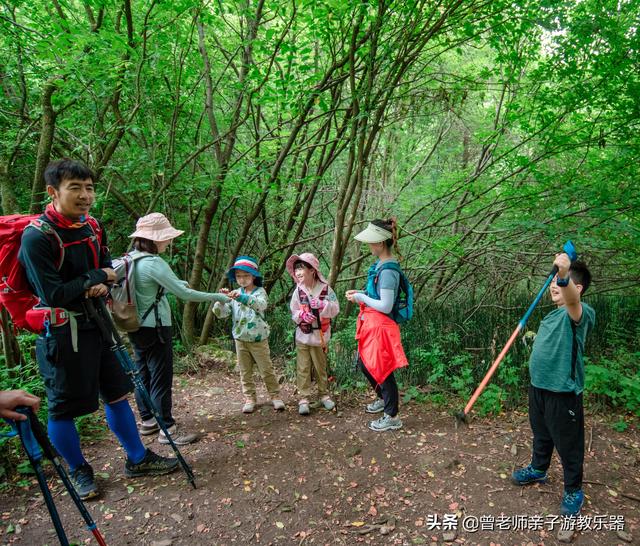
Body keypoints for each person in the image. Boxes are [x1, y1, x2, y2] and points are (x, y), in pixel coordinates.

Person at [18, 159, 178, 501]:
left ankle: (137, 458)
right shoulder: (37, 237)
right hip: (62, 331)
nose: (85, 195)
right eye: (75, 188)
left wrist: (102, 281)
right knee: (62, 406)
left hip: (97, 322)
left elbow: (109, 268)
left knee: (117, 391)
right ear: (53, 191)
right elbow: (53, 294)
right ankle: (78, 469)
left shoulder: (92, 226)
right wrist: (95, 279)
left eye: (89, 187)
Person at [127, 213, 230, 443]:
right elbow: (185, 294)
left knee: (142, 372)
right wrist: (218, 297)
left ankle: (148, 421)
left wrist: (178, 284)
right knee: (160, 376)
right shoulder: (154, 262)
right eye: (166, 237)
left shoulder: (131, 259)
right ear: (154, 239)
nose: (169, 241)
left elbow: (154, 288)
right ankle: (168, 428)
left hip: (134, 325)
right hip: (155, 327)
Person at [511, 254, 595, 516]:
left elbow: (572, 301)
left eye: (558, 284)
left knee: (568, 443)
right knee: (541, 432)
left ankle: (573, 489)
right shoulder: (551, 317)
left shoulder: (579, 312)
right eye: (552, 284)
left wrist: (563, 274)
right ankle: (538, 468)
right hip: (539, 388)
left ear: (575, 287)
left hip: (563, 392)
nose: (553, 287)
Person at [346, 218, 408, 432]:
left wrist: (361, 298)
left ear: (380, 243)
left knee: (383, 368)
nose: (369, 246)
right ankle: (383, 399)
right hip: (373, 324)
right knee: (366, 364)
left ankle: (391, 416)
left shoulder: (388, 271)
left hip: (381, 325)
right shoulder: (381, 265)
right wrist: (361, 295)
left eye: (371, 242)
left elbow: (385, 304)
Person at [212, 256, 284, 413]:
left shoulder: (260, 292)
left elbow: (261, 305)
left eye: (246, 276)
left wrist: (242, 297)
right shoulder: (234, 293)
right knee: (245, 371)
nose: (242, 279)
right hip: (240, 339)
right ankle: (250, 398)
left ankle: (275, 396)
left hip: (258, 339)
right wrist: (222, 299)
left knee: (266, 369)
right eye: (238, 276)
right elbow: (220, 314)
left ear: (253, 276)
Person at [286, 252, 339, 415]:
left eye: (301, 268)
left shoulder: (325, 289)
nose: (298, 272)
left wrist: (323, 305)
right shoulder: (298, 291)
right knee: (302, 367)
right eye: (296, 269)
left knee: (320, 367)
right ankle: (304, 397)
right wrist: (301, 316)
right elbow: (294, 311)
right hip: (303, 335)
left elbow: (336, 308)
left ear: (312, 270)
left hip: (319, 337)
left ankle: (324, 395)